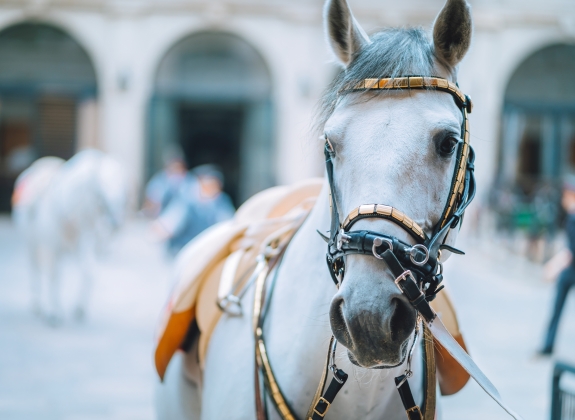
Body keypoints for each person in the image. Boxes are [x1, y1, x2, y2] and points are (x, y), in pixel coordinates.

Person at [153, 164, 235, 254]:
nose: (212, 189)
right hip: (184, 250)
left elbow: (228, 224)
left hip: (209, 249)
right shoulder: (188, 200)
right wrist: (160, 229)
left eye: (215, 186)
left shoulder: (222, 201)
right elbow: (170, 223)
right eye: (207, 185)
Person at [538, 176, 575, 355]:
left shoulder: (573, 217)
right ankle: (547, 345)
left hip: (570, 271)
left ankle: (547, 346)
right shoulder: (571, 216)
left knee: (557, 310)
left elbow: (571, 251)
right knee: (557, 310)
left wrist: (554, 266)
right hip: (569, 270)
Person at [143, 152, 193, 218]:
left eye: (179, 167)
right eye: (174, 167)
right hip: (161, 219)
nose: (176, 171)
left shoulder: (189, 181)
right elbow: (150, 203)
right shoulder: (159, 181)